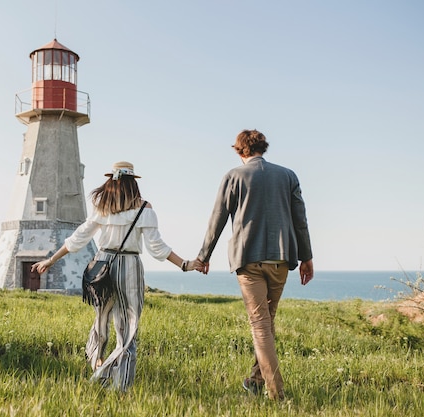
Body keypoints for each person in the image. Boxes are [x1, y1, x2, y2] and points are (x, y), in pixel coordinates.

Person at [32, 161, 202, 391]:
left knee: (100, 318)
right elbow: (157, 248)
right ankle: (117, 382)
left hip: (102, 264)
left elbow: (79, 237)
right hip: (129, 265)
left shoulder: (103, 207)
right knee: (128, 327)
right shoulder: (144, 208)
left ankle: (97, 360)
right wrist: (185, 264)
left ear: (111, 181)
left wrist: (51, 260)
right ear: (133, 183)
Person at [196, 130, 314, 401]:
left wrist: (204, 256)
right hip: (282, 259)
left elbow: (218, 219)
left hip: (248, 259)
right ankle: (255, 380)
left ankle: (277, 394)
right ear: (264, 148)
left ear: (239, 151)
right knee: (267, 321)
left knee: (260, 325)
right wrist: (307, 257)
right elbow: (300, 220)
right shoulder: (288, 176)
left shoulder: (233, 176)